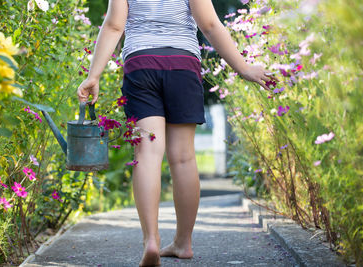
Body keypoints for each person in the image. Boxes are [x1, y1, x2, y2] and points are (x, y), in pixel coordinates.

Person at [77, 0, 276, 266]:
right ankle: (183, 243)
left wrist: (94, 75)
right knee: (182, 157)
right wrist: (243, 68)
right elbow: (209, 24)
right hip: (183, 64)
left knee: (147, 153)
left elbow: (114, 25)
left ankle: (151, 241)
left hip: (141, 64)